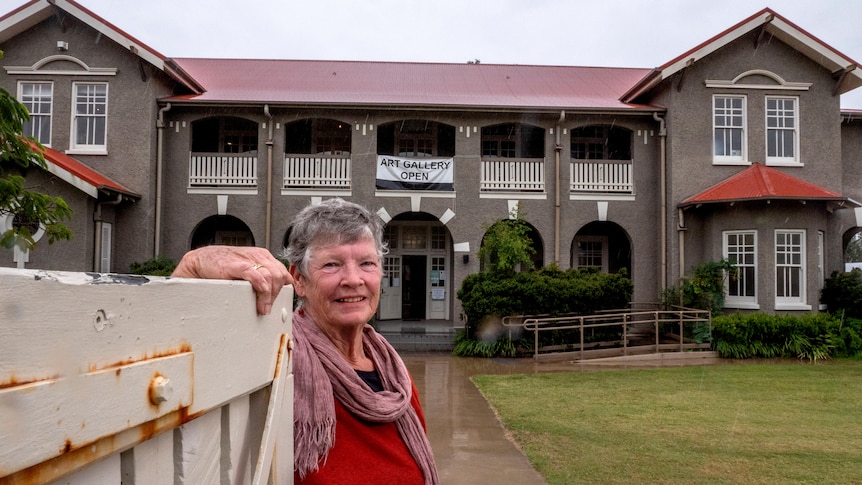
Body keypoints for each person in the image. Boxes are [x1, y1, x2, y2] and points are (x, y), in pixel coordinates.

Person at [172, 198, 439, 484]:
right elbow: (169, 366)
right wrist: (191, 268)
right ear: (298, 279)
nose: (353, 279)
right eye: (332, 264)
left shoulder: (397, 377)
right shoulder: (273, 356)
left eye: (367, 263)